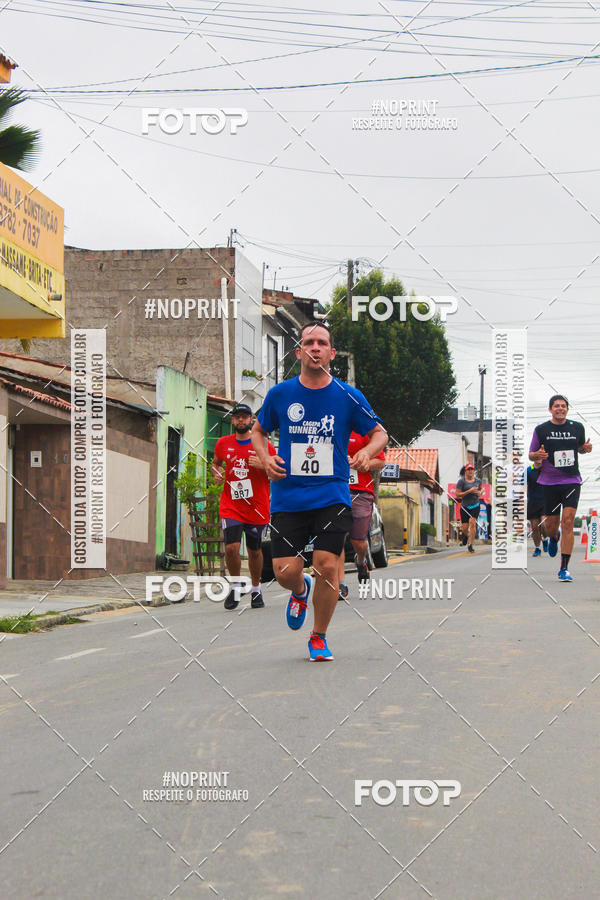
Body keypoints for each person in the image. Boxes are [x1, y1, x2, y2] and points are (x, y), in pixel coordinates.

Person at [251, 322, 388, 661]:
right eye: (308, 342)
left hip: (332, 494)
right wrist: (267, 459)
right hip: (288, 495)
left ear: (331, 353)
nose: (315, 347)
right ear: (299, 352)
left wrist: (367, 453)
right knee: (284, 571)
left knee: (327, 565)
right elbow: (258, 431)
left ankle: (318, 636)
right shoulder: (280, 395)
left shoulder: (347, 396)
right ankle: (299, 592)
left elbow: (380, 433)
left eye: (322, 343)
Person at [212, 403, 276, 610]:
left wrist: (264, 464)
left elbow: (277, 471)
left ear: (251, 420)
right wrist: (216, 473)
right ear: (232, 420)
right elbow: (216, 463)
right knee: (231, 547)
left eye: (244, 417)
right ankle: (236, 584)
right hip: (231, 505)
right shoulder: (223, 443)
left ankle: (256, 590)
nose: (240, 420)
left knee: (254, 550)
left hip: (257, 506)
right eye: (237, 417)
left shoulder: (265, 445)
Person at [529, 394, 592, 582]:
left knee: (568, 522)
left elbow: (579, 448)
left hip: (571, 481)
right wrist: (536, 455)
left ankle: (564, 568)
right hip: (549, 482)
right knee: (550, 526)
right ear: (550, 409)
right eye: (556, 406)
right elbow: (531, 454)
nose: (560, 408)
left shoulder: (577, 427)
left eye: (563, 406)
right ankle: (553, 537)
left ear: (567, 409)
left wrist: (585, 448)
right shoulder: (541, 429)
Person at [338, 431, 386, 602]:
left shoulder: (363, 432)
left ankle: (360, 560)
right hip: (335, 490)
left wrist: (364, 463)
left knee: (358, 541)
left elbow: (380, 460)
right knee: (337, 538)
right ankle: (340, 585)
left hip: (360, 491)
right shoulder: (328, 424)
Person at [455, 463, 482, 553]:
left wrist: (479, 493)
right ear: (465, 471)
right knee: (464, 528)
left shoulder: (478, 481)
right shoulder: (461, 482)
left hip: (475, 505)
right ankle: (466, 536)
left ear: (474, 471)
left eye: (472, 469)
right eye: (468, 469)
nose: (470, 471)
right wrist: (469, 491)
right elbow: (458, 494)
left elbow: (480, 489)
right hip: (465, 507)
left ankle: (470, 545)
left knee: (473, 523)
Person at [527, 461, 548, 556]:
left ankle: (544, 539)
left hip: (545, 501)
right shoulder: (529, 470)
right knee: (535, 527)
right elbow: (524, 485)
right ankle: (537, 548)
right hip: (532, 502)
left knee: (543, 524)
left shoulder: (547, 468)